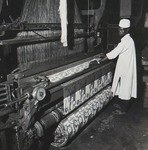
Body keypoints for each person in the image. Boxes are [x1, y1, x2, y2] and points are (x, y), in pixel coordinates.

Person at [101, 19, 137, 112]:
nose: (119, 31)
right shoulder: (127, 40)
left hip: (126, 69)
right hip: (125, 67)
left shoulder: (126, 41)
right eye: (119, 29)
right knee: (123, 86)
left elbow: (114, 53)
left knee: (126, 88)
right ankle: (122, 105)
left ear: (127, 30)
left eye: (122, 29)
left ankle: (124, 110)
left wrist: (100, 61)